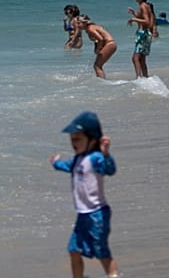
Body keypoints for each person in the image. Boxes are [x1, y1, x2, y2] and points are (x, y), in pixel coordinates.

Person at [50, 111, 118, 278]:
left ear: (92, 139)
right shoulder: (77, 159)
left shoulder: (96, 158)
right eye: (72, 139)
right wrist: (55, 163)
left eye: (78, 139)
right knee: (74, 250)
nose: (73, 143)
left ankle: (113, 275)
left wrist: (106, 154)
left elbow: (110, 170)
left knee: (102, 252)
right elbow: (66, 166)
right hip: (83, 215)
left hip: (97, 213)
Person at [126, 0, 155, 78]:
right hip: (146, 34)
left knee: (135, 58)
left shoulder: (143, 6)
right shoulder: (145, 5)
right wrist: (134, 13)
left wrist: (133, 19)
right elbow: (144, 18)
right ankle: (145, 77)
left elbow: (146, 21)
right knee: (142, 59)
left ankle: (139, 78)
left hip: (143, 34)